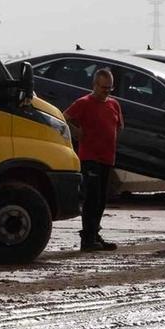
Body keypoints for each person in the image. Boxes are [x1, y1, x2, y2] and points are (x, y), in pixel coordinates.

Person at [65, 68, 123, 251]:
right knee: (92, 197)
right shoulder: (83, 103)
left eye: (109, 88)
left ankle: (94, 233)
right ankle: (87, 238)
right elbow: (64, 118)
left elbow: (119, 126)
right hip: (90, 157)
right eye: (104, 87)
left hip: (107, 157)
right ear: (95, 85)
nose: (106, 91)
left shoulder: (114, 104)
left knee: (102, 199)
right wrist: (77, 133)